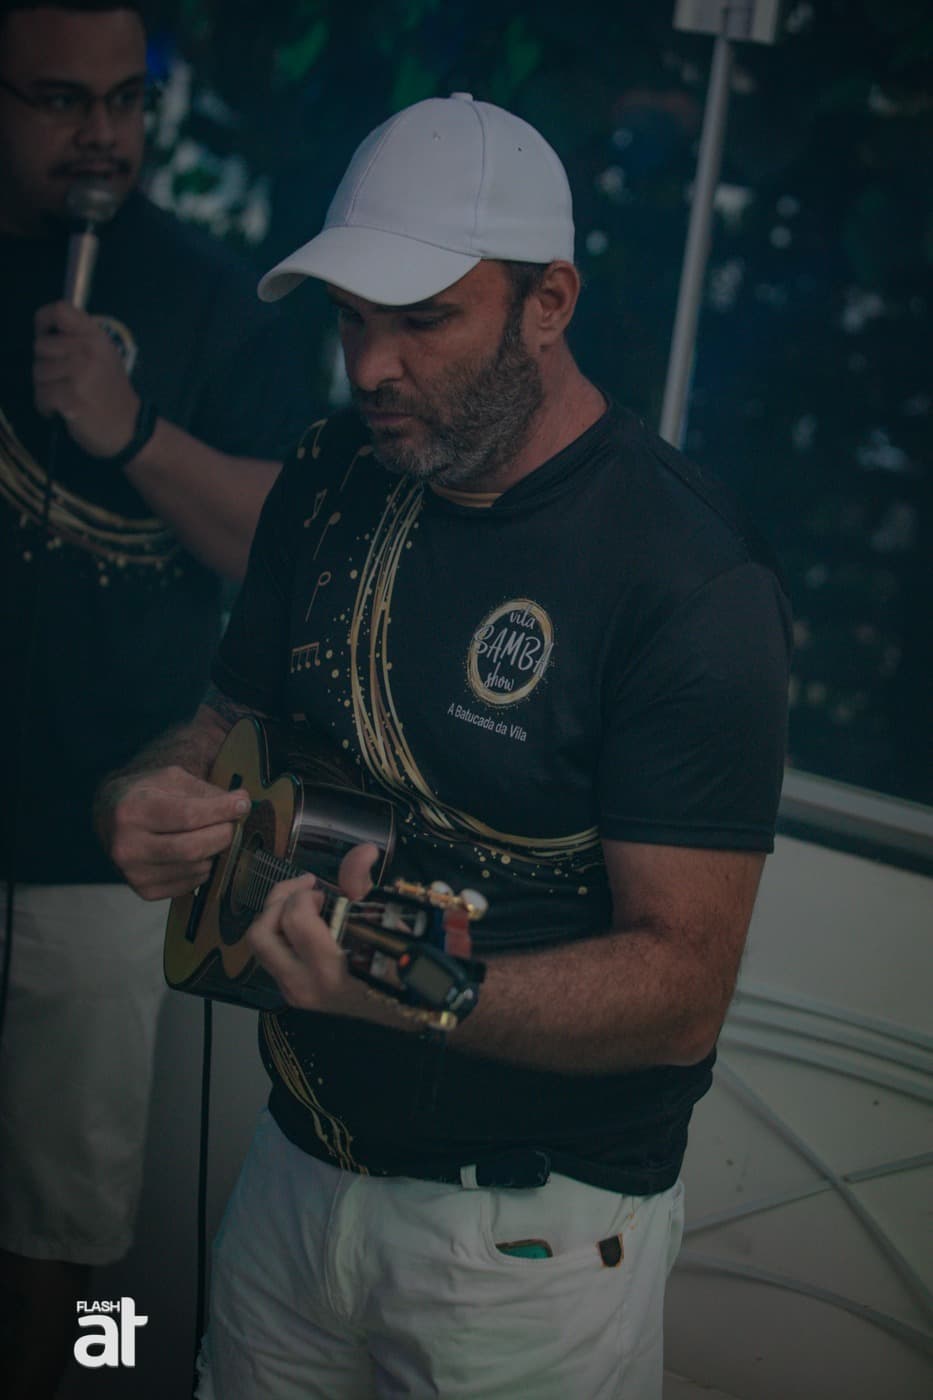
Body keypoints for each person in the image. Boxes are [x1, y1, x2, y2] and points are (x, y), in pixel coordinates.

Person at [99, 93, 792, 1398]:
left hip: (523, 1245)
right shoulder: (329, 476)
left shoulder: (684, 576)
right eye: (350, 320)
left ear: (549, 301)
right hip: (294, 1168)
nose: (371, 367)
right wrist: (148, 797)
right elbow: (223, 727)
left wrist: (416, 987)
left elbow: (681, 988)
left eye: (423, 320)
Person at [0, 3, 312, 1395]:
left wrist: (125, 425)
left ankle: (85, 1377)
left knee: (69, 1230)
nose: (102, 135)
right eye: (60, 100)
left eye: (126, 100)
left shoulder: (209, 298)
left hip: (97, 848)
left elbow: (270, 546)